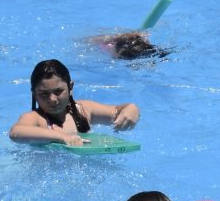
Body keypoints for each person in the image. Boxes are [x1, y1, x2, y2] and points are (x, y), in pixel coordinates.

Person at [8, 58, 139, 146]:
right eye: (44, 94)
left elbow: (117, 111)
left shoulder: (84, 110)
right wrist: (62, 137)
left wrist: (132, 108)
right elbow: (15, 132)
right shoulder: (36, 119)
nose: (52, 99)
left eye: (58, 91)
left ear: (70, 87)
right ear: (34, 94)